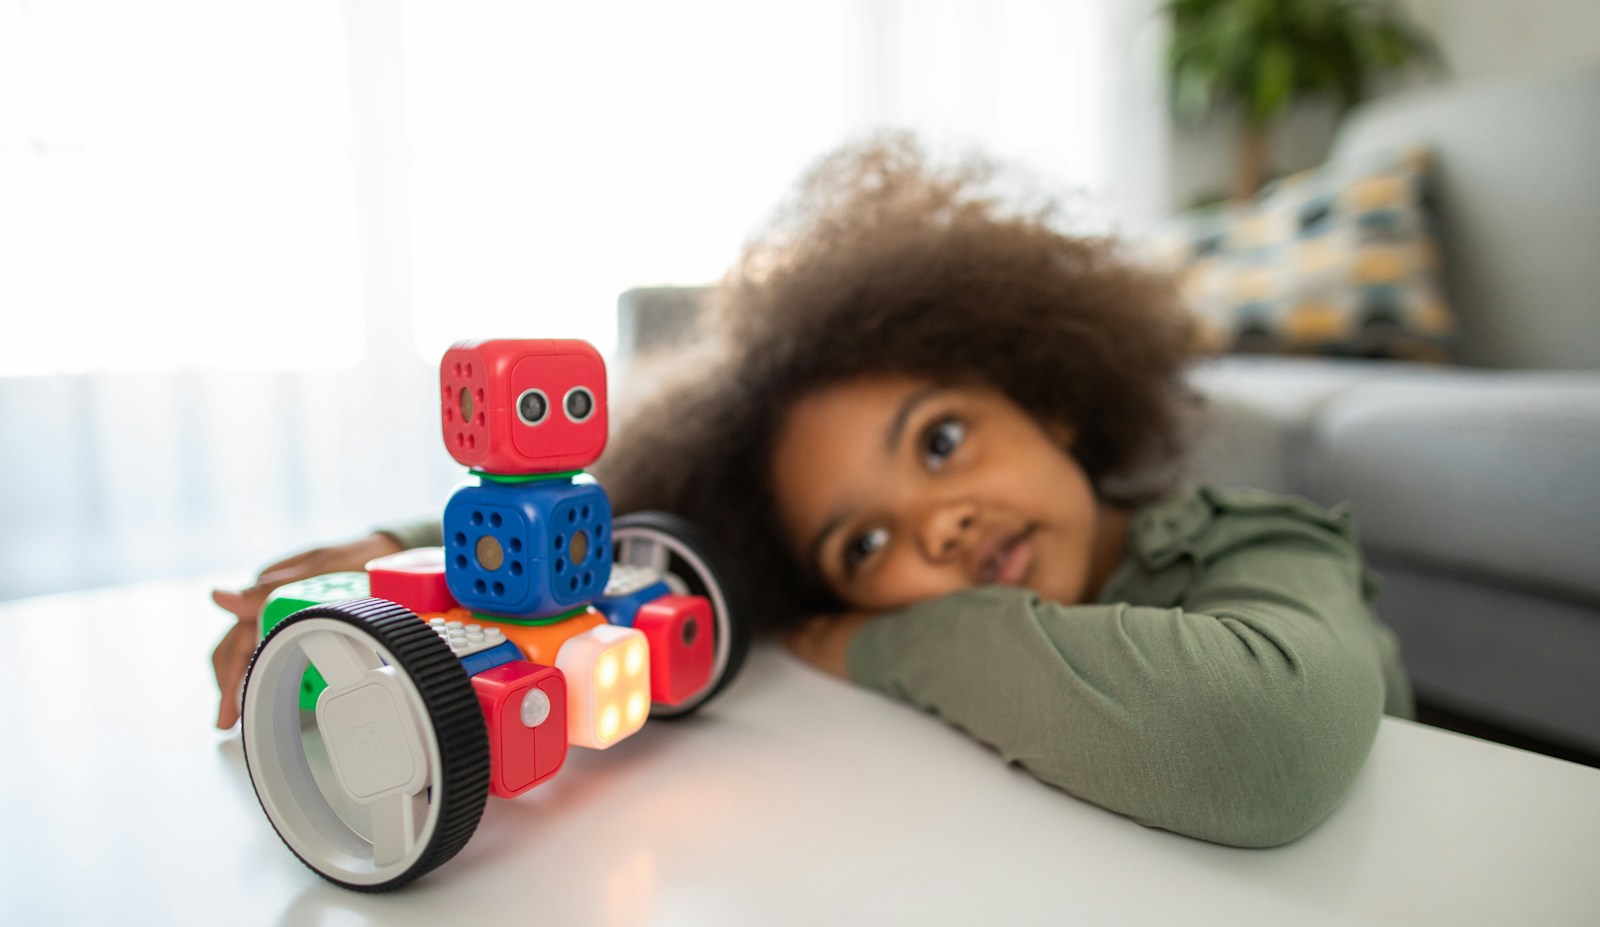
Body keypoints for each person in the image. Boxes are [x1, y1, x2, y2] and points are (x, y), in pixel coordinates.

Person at [212, 135, 1411, 848]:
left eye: (940, 439)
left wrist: (890, 640)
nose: (934, 525)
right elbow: (598, 534)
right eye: (862, 543)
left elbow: (1262, 743)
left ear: (1048, 392)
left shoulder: (1255, 541)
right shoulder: (758, 570)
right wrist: (392, 556)